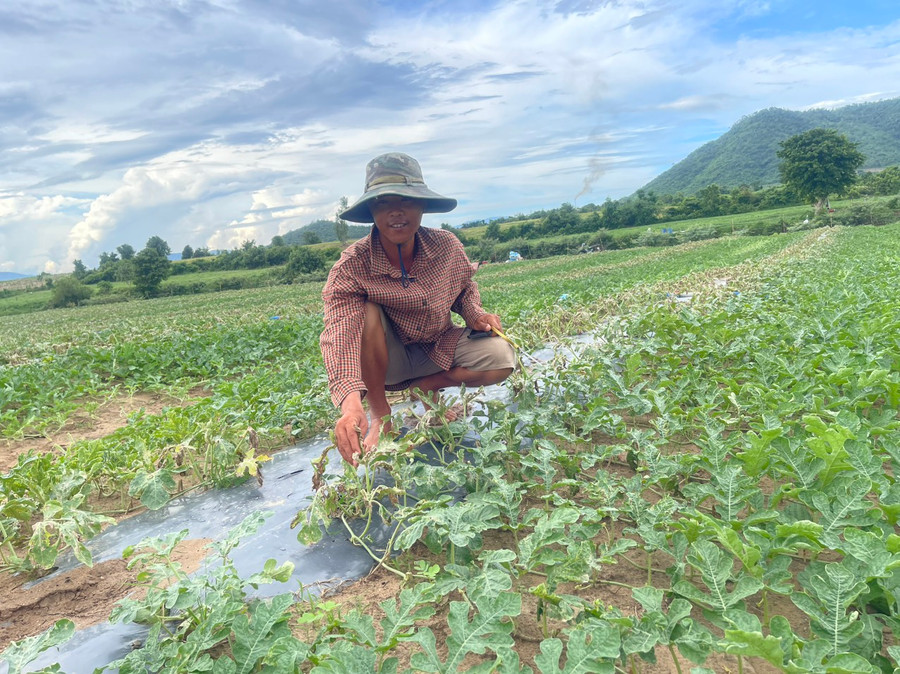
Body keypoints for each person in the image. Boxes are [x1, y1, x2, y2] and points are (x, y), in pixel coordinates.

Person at [320, 153, 516, 465]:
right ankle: (381, 415)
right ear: (372, 210)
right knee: (367, 312)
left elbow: (463, 287)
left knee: (502, 358)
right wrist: (350, 402)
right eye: (384, 203)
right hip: (387, 359)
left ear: (422, 205)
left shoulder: (446, 246)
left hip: (438, 345)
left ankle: (427, 388)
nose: (396, 212)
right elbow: (340, 332)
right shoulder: (352, 266)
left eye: (406, 200)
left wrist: (475, 314)